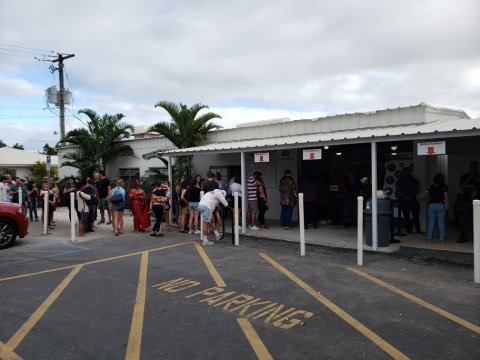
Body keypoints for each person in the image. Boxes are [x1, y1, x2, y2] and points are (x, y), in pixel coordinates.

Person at [421, 173, 449, 244]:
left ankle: (429, 240)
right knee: (441, 223)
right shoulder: (444, 187)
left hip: (432, 206)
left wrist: (426, 201)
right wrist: (446, 204)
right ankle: (441, 240)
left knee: (431, 223)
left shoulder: (431, 187)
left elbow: (422, 196)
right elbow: (446, 199)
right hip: (441, 206)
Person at [458, 161, 480, 243]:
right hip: (466, 201)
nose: (473, 168)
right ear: (470, 167)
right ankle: (463, 237)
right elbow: (462, 187)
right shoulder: (464, 176)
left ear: (478, 167)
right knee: (464, 220)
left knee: (477, 220)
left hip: (477, 202)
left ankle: (476, 238)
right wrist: (469, 178)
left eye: (475, 166)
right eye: (472, 166)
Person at [395, 167, 422, 234]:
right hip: (407, 200)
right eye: (404, 171)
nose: (405, 173)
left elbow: (416, 190)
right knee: (409, 216)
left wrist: (408, 197)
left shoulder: (413, 180)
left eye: (406, 171)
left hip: (410, 200)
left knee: (413, 216)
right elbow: (398, 191)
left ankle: (414, 230)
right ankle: (412, 230)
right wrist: (408, 197)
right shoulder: (400, 181)